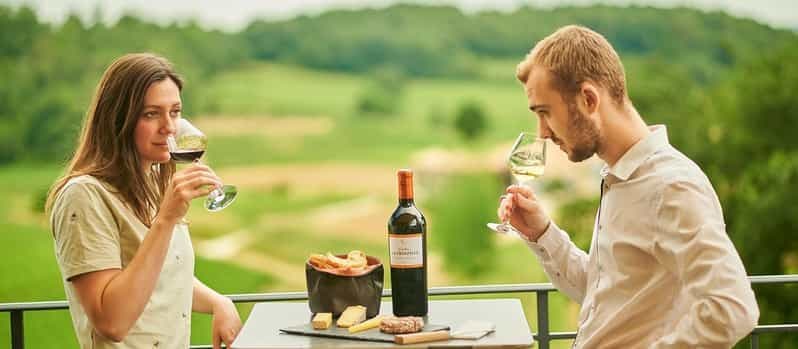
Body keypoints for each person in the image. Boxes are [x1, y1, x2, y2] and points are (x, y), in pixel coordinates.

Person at [498, 25, 759, 348]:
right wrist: (542, 233)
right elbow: (602, 292)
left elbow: (732, 308)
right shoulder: (619, 179)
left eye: (545, 113)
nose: (542, 133)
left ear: (588, 99)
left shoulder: (670, 186)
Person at [46, 53, 241, 349]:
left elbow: (159, 276)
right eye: (151, 114)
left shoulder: (152, 184)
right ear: (118, 119)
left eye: (175, 112)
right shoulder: (83, 196)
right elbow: (112, 322)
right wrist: (166, 219)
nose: (169, 127)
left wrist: (218, 302)